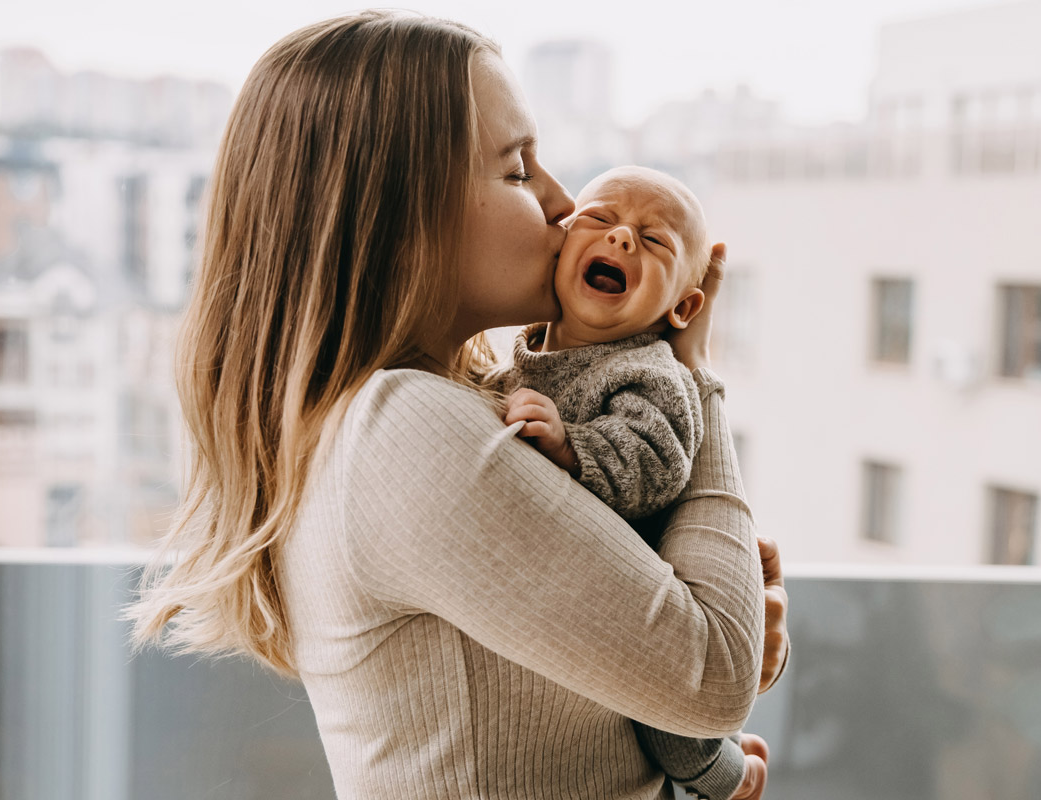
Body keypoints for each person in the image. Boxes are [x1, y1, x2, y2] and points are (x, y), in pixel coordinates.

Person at [126, 10, 789, 800]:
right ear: (399, 212)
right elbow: (713, 678)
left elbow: (686, 667)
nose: (563, 202)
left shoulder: (445, 410)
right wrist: (687, 369)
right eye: (517, 172)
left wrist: (698, 608)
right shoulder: (402, 432)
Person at [499, 165, 758, 799]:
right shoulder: (528, 350)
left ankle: (727, 776)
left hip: (649, 590)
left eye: (654, 239)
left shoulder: (650, 370)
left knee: (667, 725)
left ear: (685, 306)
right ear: (562, 246)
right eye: (601, 219)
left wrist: (571, 444)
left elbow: (657, 459)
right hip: (578, 600)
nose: (620, 240)